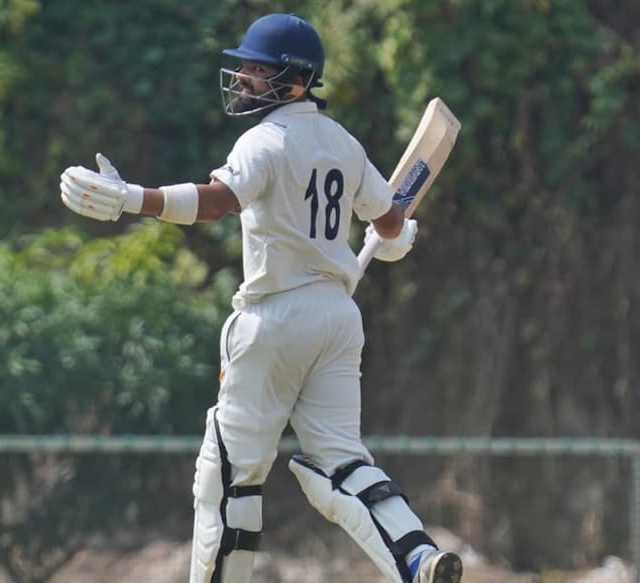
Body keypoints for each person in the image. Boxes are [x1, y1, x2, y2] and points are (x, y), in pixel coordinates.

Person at [58, 12, 461, 583]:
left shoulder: (264, 140)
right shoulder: (344, 142)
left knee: (228, 476)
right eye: (243, 66)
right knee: (341, 464)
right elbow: (390, 220)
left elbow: (219, 202)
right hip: (338, 319)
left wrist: (133, 197)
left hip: (273, 318)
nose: (243, 76)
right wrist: (394, 240)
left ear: (296, 81)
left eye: (257, 68)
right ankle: (417, 556)